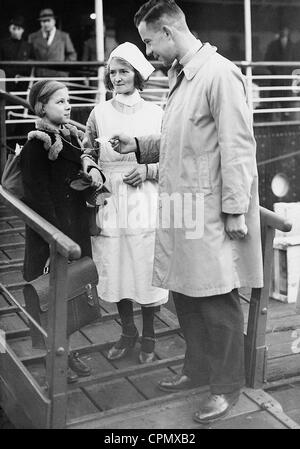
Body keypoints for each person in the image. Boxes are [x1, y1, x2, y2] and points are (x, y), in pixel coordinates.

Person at [110, 0, 263, 424]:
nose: (149, 52)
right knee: (186, 296)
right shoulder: (182, 77)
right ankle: (197, 371)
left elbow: (238, 148)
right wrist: (139, 146)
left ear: (168, 32)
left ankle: (226, 387)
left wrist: (235, 210)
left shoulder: (219, 74)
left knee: (216, 300)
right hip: (184, 210)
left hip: (210, 211)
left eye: (148, 42)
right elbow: (181, 140)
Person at [84, 42, 168, 364]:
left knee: (145, 265)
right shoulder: (99, 113)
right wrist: (91, 167)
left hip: (146, 199)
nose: (118, 78)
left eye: (124, 71)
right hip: (112, 200)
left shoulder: (156, 113)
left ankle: (149, 333)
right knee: (116, 267)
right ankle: (127, 330)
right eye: (113, 72)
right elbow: (88, 150)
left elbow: (172, 159)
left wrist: (148, 172)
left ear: (137, 74)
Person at [20, 79, 103, 383]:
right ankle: (56, 355)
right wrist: (56, 237)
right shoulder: (36, 147)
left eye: (69, 100)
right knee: (51, 292)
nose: (68, 106)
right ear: (41, 107)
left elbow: (78, 170)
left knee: (70, 292)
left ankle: (65, 350)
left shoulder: (69, 139)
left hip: (74, 225)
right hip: (52, 233)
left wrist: (91, 184)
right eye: (60, 102)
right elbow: (38, 197)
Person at [28, 8, 77, 78]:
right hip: (41, 77)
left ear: (54, 21)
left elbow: (72, 55)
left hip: (60, 76)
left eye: (48, 20)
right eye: (43, 21)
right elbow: (30, 57)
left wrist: (64, 69)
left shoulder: (64, 36)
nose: (46, 24)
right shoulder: (33, 37)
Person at [264, 27, 297, 120]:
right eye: (282, 29)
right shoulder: (273, 45)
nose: (284, 31)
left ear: (289, 31)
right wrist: (276, 71)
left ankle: (287, 120)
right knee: (275, 101)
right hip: (276, 78)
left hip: (287, 79)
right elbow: (267, 60)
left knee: (287, 102)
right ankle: (274, 122)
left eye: (286, 29)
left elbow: (296, 61)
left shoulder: (292, 46)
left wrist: (289, 72)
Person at [0, 16, 33, 92]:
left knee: (22, 102)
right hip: (6, 81)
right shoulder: (3, 44)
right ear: (10, 29)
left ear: (23, 30)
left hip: (23, 82)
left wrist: (23, 76)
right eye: (14, 28)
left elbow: (31, 63)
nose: (16, 32)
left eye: (19, 29)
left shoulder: (28, 46)